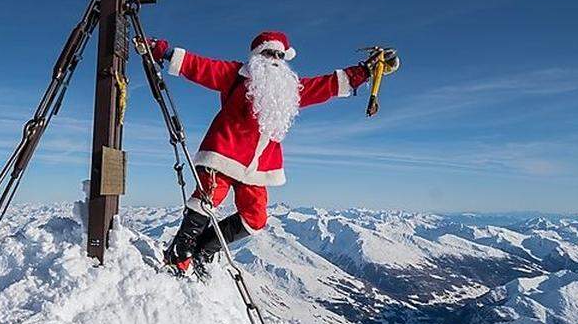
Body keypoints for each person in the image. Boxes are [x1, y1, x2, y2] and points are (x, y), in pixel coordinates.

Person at [141, 31, 399, 274]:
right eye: (269, 54)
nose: (275, 60)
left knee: (255, 218)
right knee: (205, 201)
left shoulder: (291, 88)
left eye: (279, 55)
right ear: (256, 56)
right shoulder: (235, 75)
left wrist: (365, 70)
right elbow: (199, 66)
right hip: (223, 154)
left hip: (259, 167)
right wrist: (163, 51)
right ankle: (179, 253)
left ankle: (205, 249)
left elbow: (327, 85)